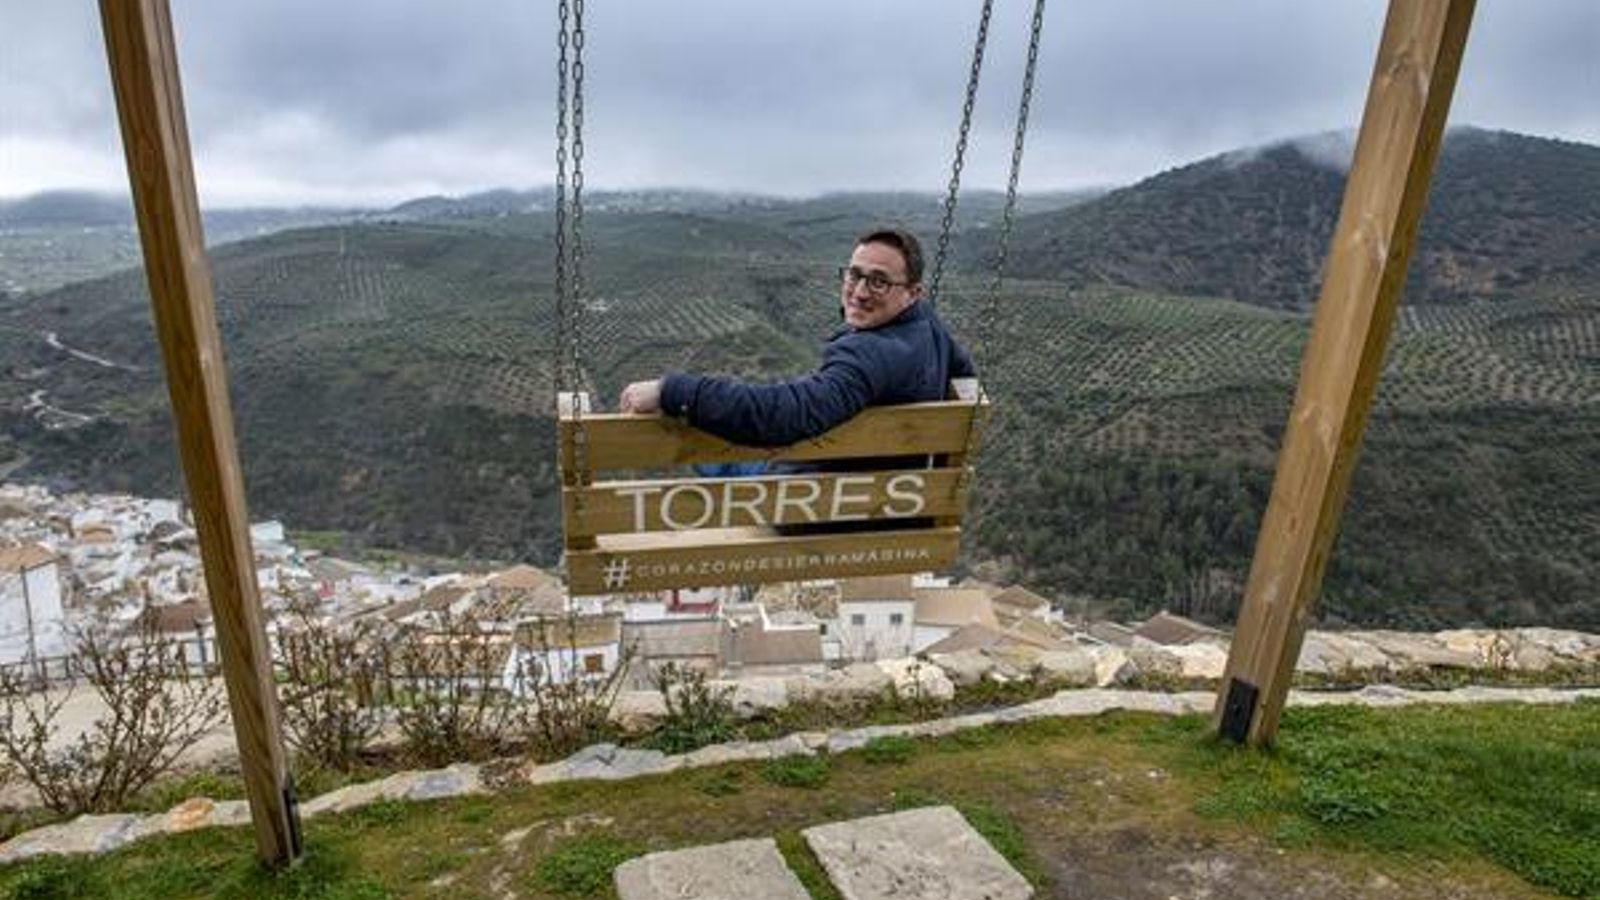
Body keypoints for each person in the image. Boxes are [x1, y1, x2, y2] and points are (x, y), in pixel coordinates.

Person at [617, 227, 975, 451]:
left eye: (879, 281)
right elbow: (964, 373)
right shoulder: (925, 322)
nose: (859, 291)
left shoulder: (869, 355)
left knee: (707, 456)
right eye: (854, 274)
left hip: (825, 504)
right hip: (900, 496)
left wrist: (672, 391)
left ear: (912, 293)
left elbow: (784, 416)